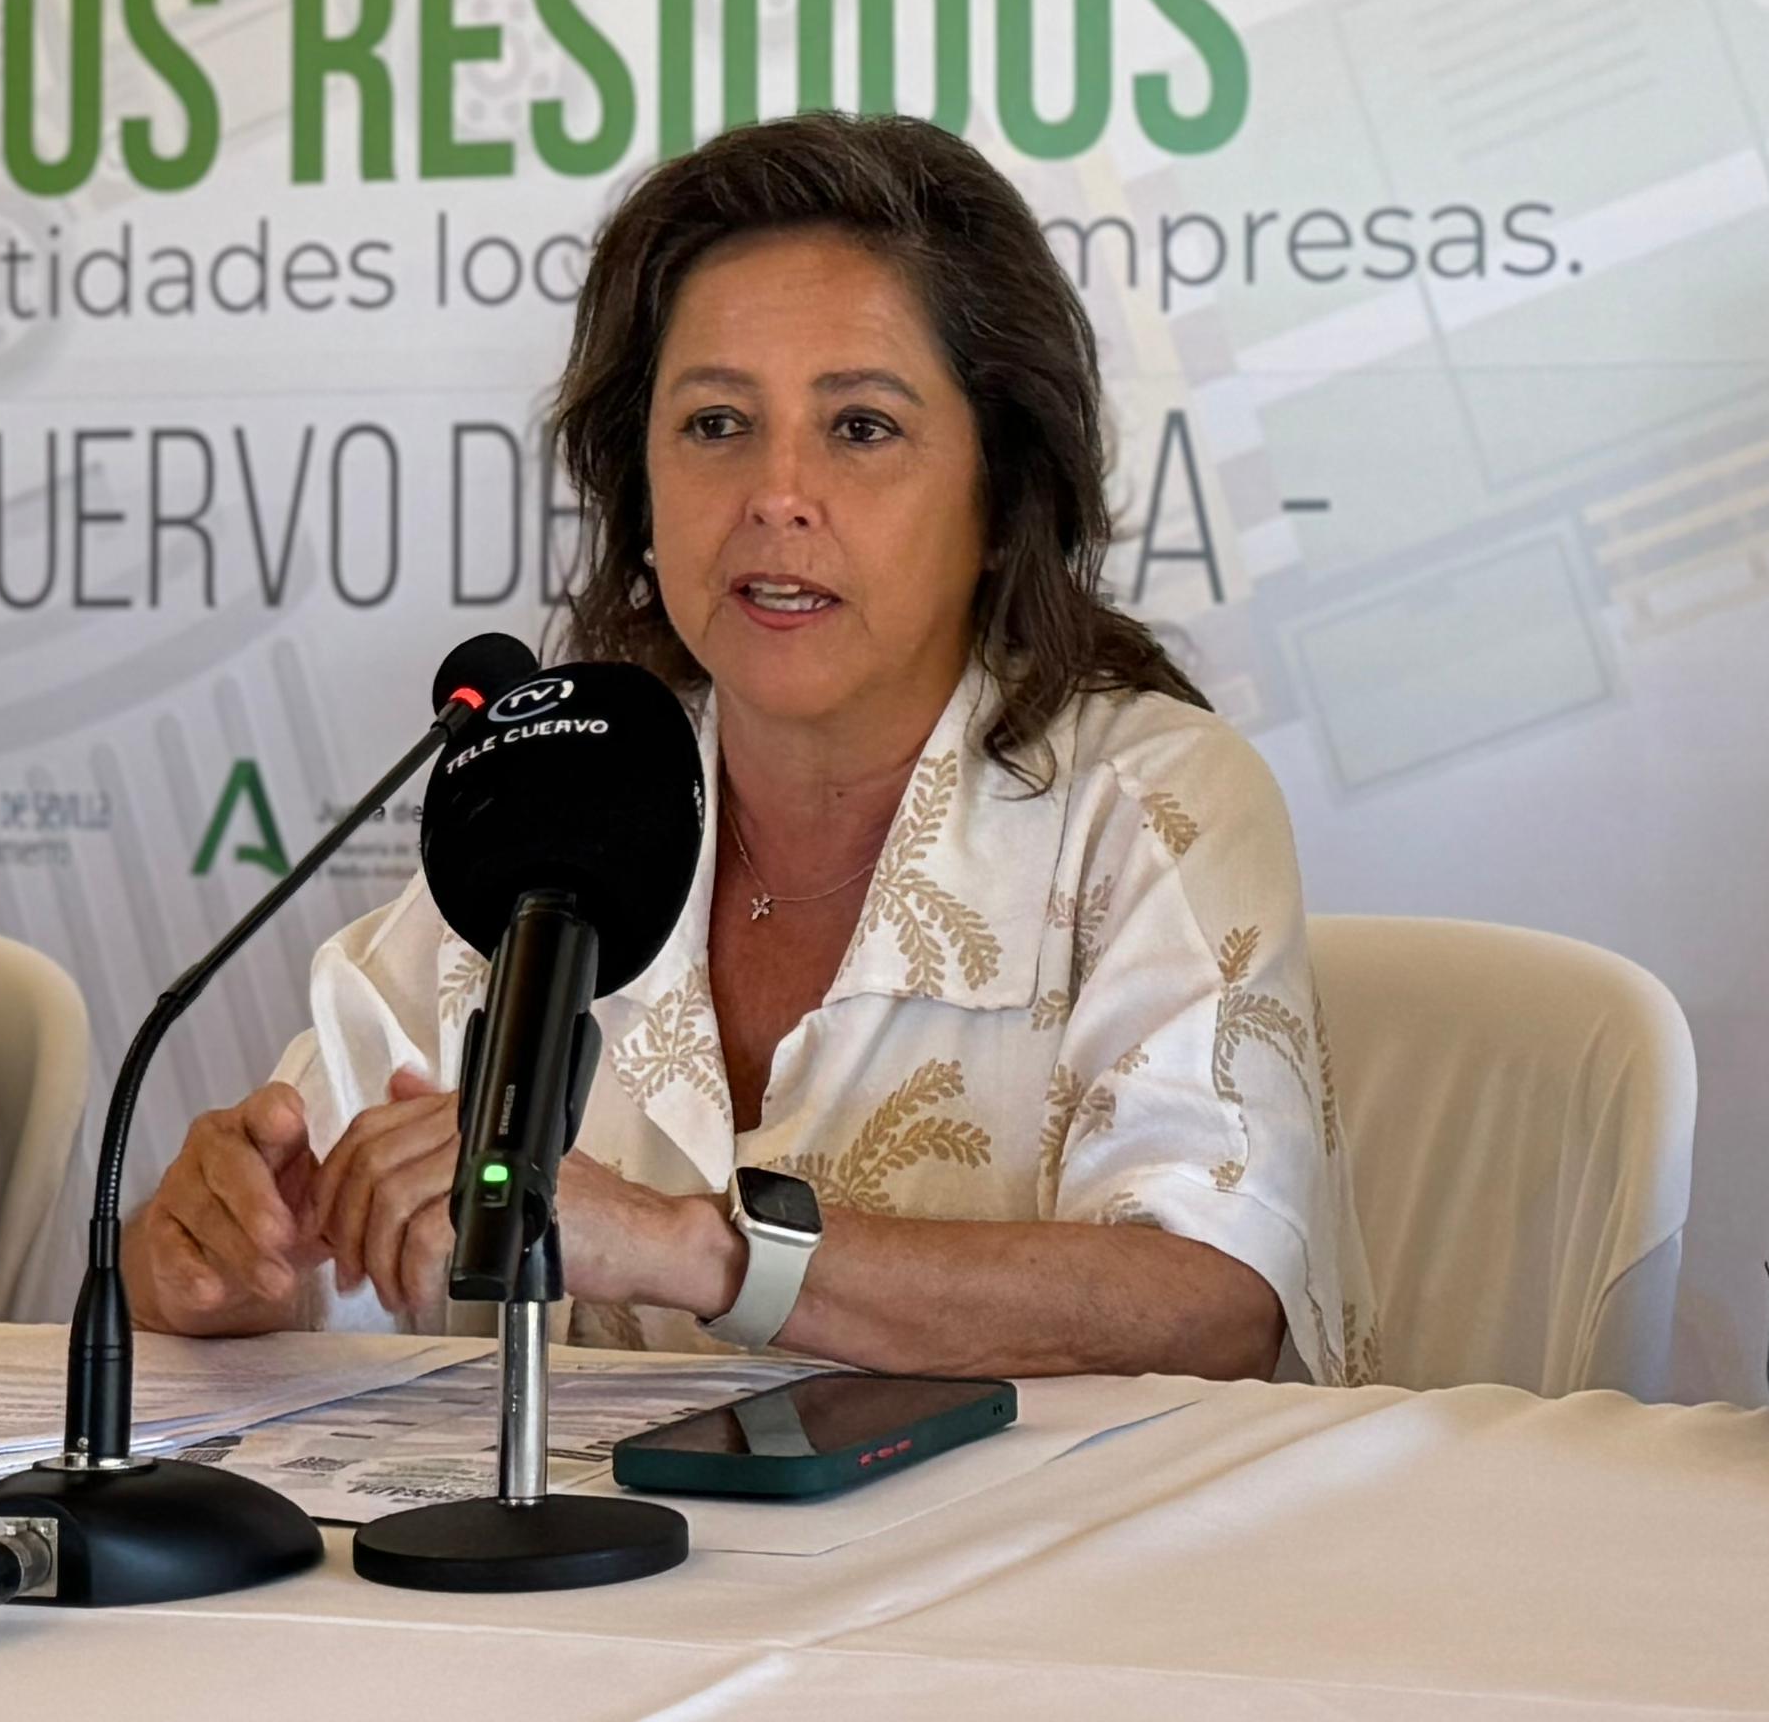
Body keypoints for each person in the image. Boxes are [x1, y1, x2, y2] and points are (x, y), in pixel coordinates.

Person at [136, 111, 1366, 1381]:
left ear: (1001, 497)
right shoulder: (558, 787)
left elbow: (1210, 1302)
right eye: (716, 424)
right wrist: (215, 1262)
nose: (776, 493)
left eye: (860, 428)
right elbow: (295, 1250)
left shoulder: (1145, 804)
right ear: (641, 491)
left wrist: (698, 1251)